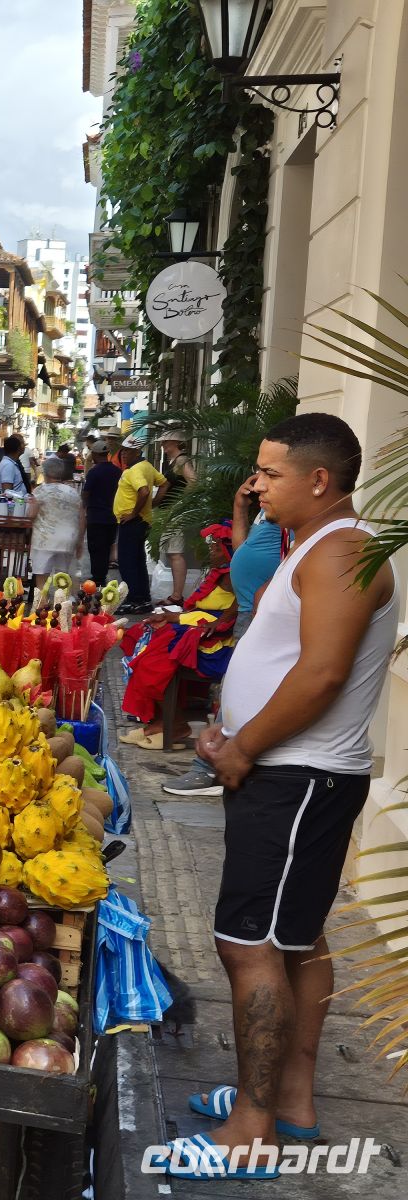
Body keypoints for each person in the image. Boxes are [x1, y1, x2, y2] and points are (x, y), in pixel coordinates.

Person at [170, 414, 395, 1181]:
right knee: (295, 936)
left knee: (248, 944)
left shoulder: (342, 553)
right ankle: (289, 1103)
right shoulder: (319, 547)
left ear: (319, 480)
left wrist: (244, 747)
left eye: (269, 474)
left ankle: (250, 1131)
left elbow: (322, 674)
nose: (255, 485)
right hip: (296, 771)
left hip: (296, 777)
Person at [163, 476, 286, 798]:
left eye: (270, 474)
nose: (258, 484)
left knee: (240, 689)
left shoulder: (292, 519)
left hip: (258, 613)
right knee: (235, 690)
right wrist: (239, 506)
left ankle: (210, 769)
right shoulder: (268, 513)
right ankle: (211, 765)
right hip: (250, 611)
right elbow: (243, 551)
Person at [118, 522, 238, 749]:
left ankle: (177, 724)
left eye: (214, 548)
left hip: (213, 643)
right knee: (139, 634)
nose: (210, 552)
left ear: (227, 551)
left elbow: (240, 603)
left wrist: (180, 618)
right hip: (196, 628)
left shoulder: (231, 577)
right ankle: (158, 722)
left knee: (153, 662)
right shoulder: (219, 573)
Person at [113, 435, 167, 612]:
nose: (124, 455)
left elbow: (143, 492)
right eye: (123, 451)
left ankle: (135, 599)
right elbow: (165, 483)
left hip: (133, 521)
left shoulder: (135, 470)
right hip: (140, 521)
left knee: (128, 562)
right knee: (137, 561)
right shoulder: (147, 466)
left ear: (137, 452)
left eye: (128, 451)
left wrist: (134, 513)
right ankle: (142, 599)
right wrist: (153, 503)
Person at [27, 455, 84, 586]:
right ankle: (63, 603)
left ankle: (42, 602)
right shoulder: (73, 492)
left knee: (42, 577)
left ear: (45, 473)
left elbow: (31, 515)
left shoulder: (40, 491)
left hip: (45, 540)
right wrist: (80, 540)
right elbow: (81, 517)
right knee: (63, 577)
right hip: (68, 539)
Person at [155, 433, 197, 605]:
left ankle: (177, 596)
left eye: (166, 441)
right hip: (170, 512)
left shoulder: (181, 460)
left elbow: (193, 481)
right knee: (172, 553)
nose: (163, 444)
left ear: (176, 442)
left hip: (175, 512)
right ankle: (176, 595)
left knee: (175, 553)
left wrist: (178, 504)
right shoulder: (173, 461)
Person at [82, 438, 122, 582]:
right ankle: (102, 574)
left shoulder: (94, 472)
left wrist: (84, 507)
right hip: (112, 516)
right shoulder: (118, 471)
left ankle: (97, 577)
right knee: (106, 547)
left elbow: (86, 493)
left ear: (95, 454)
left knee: (95, 547)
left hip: (96, 515)